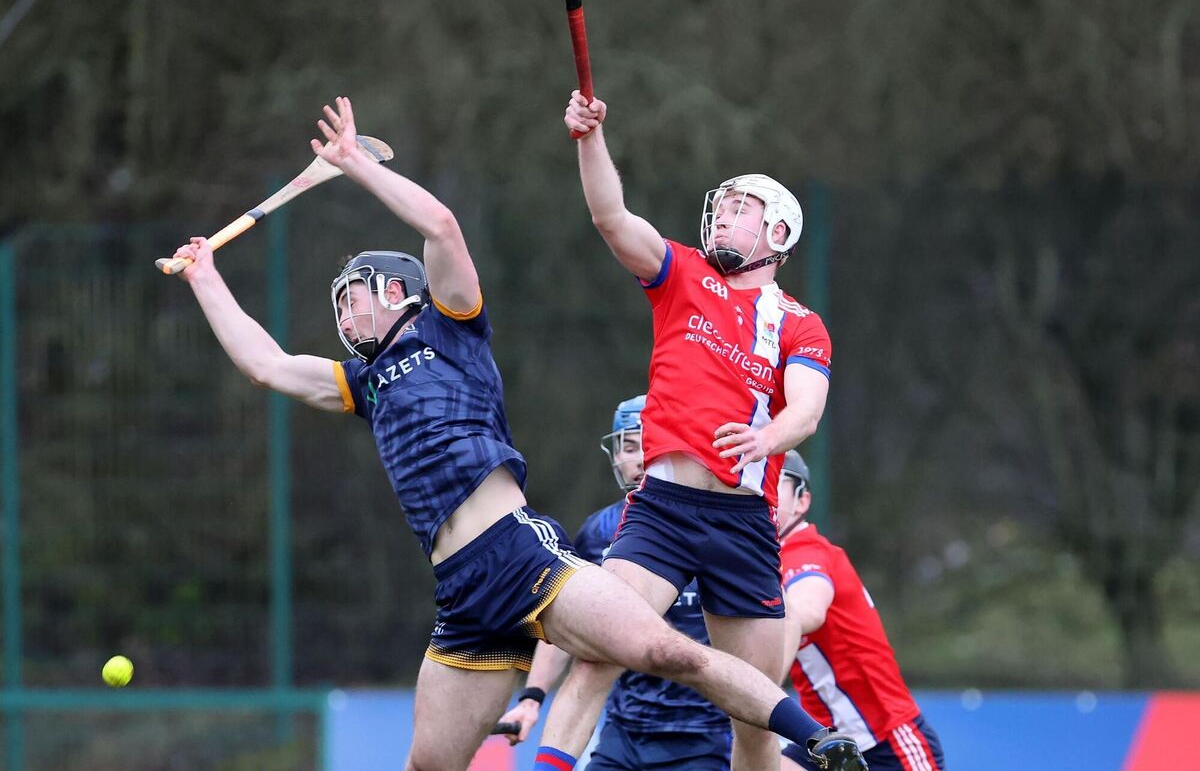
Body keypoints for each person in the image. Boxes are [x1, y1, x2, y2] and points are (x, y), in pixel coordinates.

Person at [169, 96, 857, 771]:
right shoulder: (365, 383)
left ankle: (817, 742)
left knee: (665, 652)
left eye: (358, 293)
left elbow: (440, 224)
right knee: (431, 764)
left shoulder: (453, 326)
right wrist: (205, 278)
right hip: (460, 589)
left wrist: (356, 164)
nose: (346, 312)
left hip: (519, 553)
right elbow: (267, 365)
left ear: (401, 291)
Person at [535, 93, 866, 771]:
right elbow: (609, 216)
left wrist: (768, 439)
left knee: (751, 717)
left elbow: (805, 411)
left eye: (741, 209)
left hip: (742, 521)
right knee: (599, 654)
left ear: (777, 235)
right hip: (661, 509)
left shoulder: (799, 323)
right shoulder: (682, 274)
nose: (722, 214)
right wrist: (589, 140)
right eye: (721, 205)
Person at [498, 396, 734, 770]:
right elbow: (568, 622)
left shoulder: (716, 527)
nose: (639, 456)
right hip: (623, 736)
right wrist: (532, 698)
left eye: (649, 440)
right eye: (627, 445)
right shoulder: (599, 532)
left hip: (703, 739)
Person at [777, 451, 945, 771]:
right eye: (757, 483)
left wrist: (761, 692)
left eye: (775, 482)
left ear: (802, 501)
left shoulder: (804, 552)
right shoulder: (759, 560)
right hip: (821, 743)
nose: (762, 492)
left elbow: (807, 610)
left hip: (885, 742)